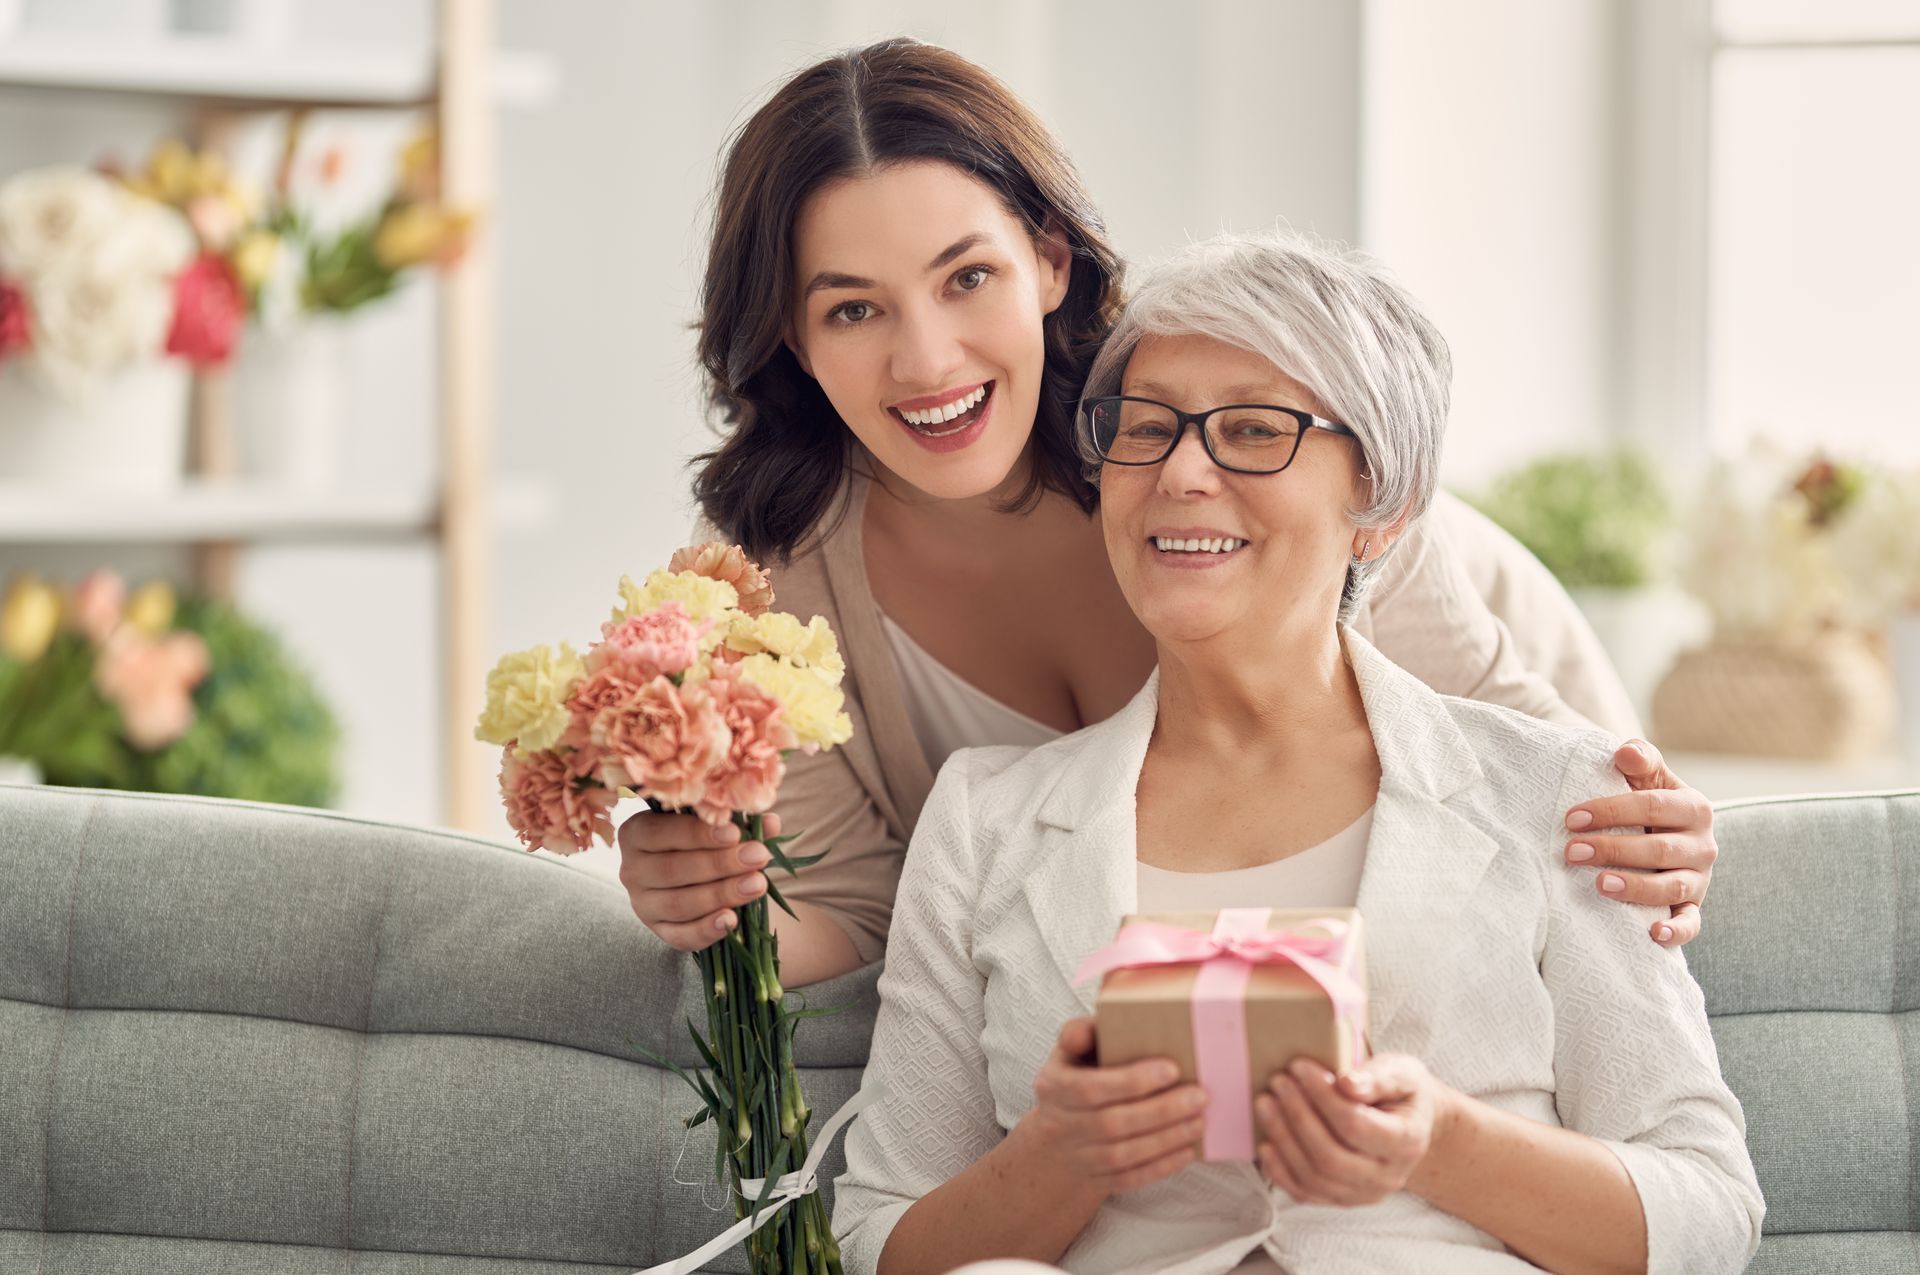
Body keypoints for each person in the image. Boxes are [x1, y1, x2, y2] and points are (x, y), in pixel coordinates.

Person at [618, 38, 1718, 991]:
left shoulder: (1237, 445)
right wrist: (706, 904)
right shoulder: (767, 586)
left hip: (1461, 613)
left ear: (1049, 259)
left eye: (967, 279)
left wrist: (1653, 831)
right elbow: (859, 910)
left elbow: (1546, 772)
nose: (926, 360)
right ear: (792, 341)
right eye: (853, 308)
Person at [831, 231, 1763, 1275]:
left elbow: (1710, 1217)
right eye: (1146, 428)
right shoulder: (985, 818)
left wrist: (1443, 1146)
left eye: (1252, 431)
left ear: (1382, 507)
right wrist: (1061, 1158)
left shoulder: (1562, 794)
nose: (1181, 472)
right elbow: (878, 1238)